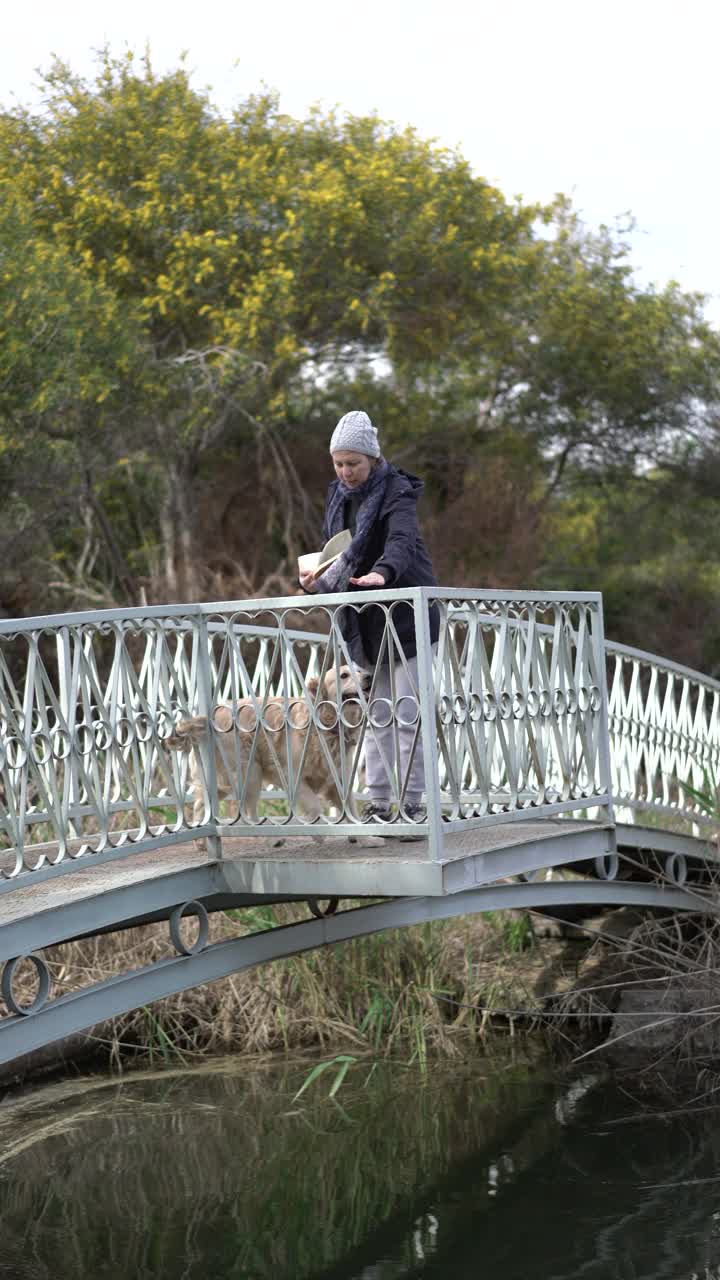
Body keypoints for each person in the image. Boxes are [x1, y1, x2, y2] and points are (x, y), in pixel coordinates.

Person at [298, 409, 439, 831]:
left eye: (353, 464)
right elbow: (338, 551)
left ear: (372, 459)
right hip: (363, 619)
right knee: (375, 714)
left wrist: (383, 573)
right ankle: (379, 804)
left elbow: (402, 540)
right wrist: (317, 577)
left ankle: (412, 807)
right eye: (339, 464)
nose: (346, 472)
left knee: (407, 714)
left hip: (407, 612)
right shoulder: (337, 494)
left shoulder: (397, 490)